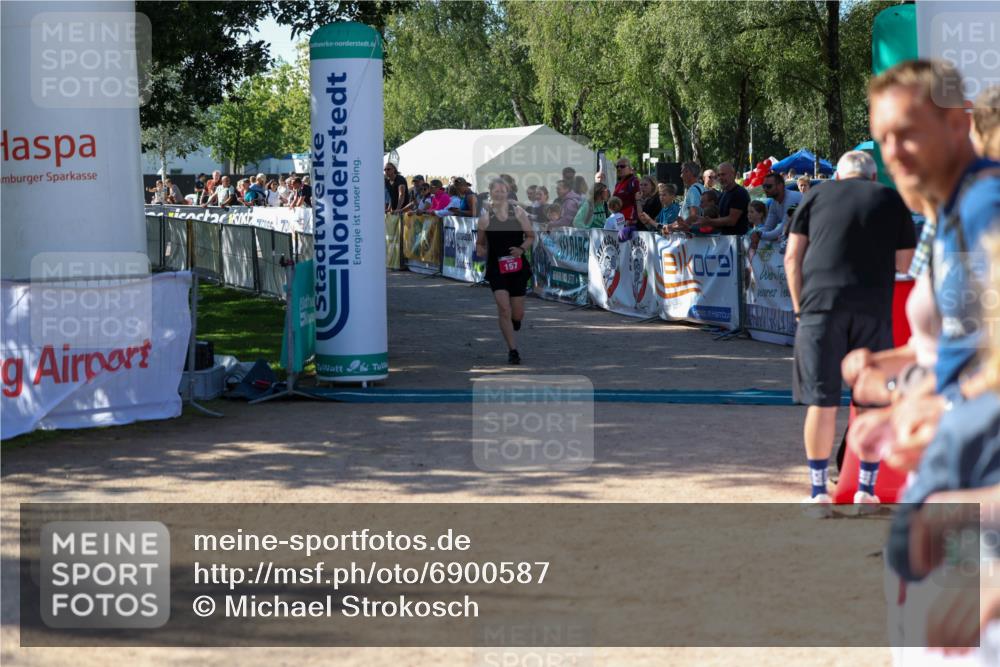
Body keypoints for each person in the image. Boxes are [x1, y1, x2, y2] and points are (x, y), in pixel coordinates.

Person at [784, 149, 916, 510]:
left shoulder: (814, 196)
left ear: (838, 176)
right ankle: (865, 491)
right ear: (873, 177)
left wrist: (799, 309)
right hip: (873, 308)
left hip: (819, 307)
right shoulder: (890, 198)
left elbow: (792, 257)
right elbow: (904, 264)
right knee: (871, 401)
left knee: (822, 401)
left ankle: (818, 492)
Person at [475, 179, 535, 365]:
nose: (500, 194)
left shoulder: (518, 213)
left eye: (503, 191)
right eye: (496, 191)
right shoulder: (485, 218)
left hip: (517, 267)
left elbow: (531, 236)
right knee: (503, 309)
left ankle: (515, 321)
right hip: (497, 268)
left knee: (517, 314)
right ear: (491, 193)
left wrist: (521, 249)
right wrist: (480, 250)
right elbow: (479, 243)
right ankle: (513, 350)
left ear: (507, 193)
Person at [694, 163, 750, 235]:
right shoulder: (723, 194)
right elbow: (718, 217)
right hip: (723, 238)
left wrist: (709, 221)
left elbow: (731, 220)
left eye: (723, 174)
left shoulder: (739, 193)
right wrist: (695, 222)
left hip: (736, 239)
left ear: (732, 175)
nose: (720, 178)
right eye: (718, 175)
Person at [753, 171, 803, 243]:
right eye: (764, 186)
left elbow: (781, 231)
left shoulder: (792, 199)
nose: (765, 189)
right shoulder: (774, 202)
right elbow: (768, 227)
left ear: (780, 186)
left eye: (769, 186)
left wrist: (759, 235)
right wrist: (755, 233)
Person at [612, 157, 640, 221]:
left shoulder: (634, 182)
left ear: (630, 168)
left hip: (629, 220)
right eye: (617, 167)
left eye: (622, 166)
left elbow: (638, 202)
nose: (619, 168)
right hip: (618, 218)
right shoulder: (618, 184)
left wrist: (634, 219)